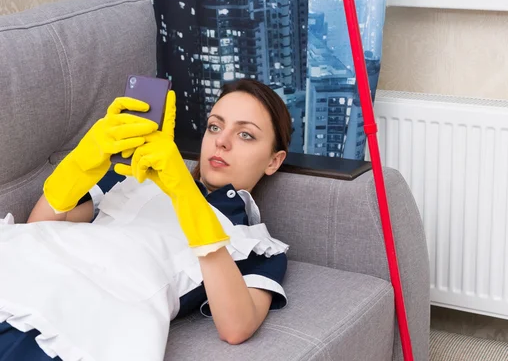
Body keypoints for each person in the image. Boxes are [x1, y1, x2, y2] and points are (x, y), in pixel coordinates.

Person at [0, 79, 293, 360]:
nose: (222, 142)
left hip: (82, 314)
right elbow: (40, 228)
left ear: (273, 160)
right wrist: (78, 164)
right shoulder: (136, 175)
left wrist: (185, 195)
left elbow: (236, 327)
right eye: (214, 126)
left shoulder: (259, 245)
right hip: (21, 271)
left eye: (245, 135)